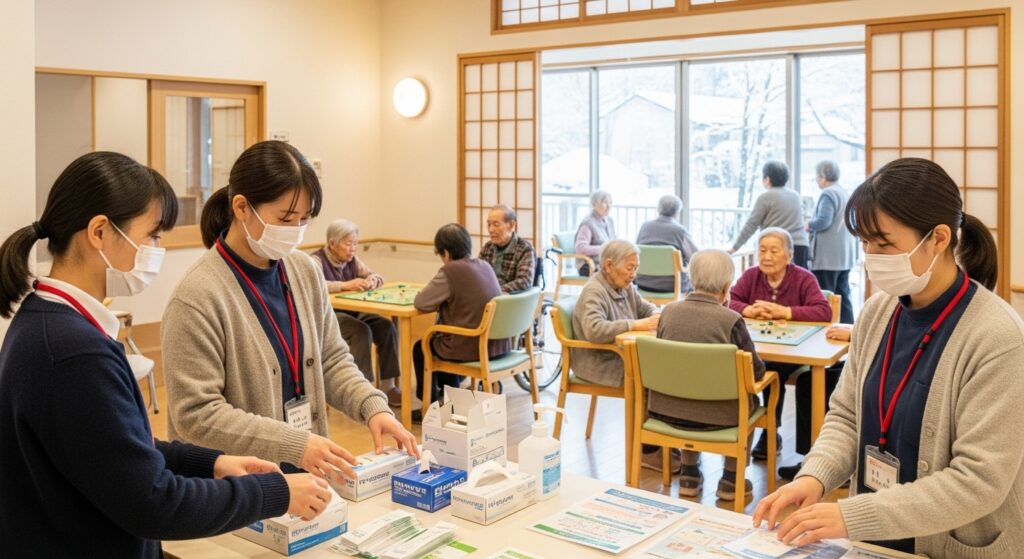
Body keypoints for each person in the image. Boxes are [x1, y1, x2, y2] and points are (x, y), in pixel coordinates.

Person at [0, 152, 331, 557]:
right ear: (100, 232)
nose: (158, 249)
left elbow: (117, 449)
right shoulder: (72, 352)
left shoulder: (49, 323)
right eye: (153, 235)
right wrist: (273, 492)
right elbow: (154, 503)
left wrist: (209, 463)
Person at [753, 158, 1022, 556]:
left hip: (953, 546)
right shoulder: (879, 313)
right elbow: (846, 417)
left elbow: (978, 481)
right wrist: (814, 477)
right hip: (876, 541)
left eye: (884, 244)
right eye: (864, 243)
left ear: (939, 238)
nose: (871, 256)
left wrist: (849, 515)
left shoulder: (997, 336)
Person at [162, 141, 418, 485]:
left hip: (305, 473)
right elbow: (196, 414)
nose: (295, 229)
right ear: (241, 207)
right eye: (285, 218)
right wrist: (293, 443)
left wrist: (373, 407)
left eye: (304, 220)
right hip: (235, 489)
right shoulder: (197, 296)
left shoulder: (304, 271)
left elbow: (331, 360)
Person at [647, 249, 766, 501]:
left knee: (688, 388)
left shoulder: (668, 312)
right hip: (721, 418)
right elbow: (755, 373)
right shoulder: (732, 320)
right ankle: (731, 479)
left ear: (691, 279)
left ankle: (689, 473)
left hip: (668, 412)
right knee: (749, 400)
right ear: (726, 287)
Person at [729, 227, 832, 459]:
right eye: (762, 250)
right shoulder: (751, 275)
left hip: (797, 353)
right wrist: (748, 309)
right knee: (756, 365)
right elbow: (730, 300)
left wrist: (784, 311)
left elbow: (824, 311)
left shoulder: (803, 278)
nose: (766, 256)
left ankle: (769, 432)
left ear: (789, 255)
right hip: (759, 350)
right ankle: (763, 432)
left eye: (774, 251)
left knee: (772, 368)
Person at [413, 223, 510, 413]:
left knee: (422, 347)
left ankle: (431, 406)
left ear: (446, 253)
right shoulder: (485, 266)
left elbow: (421, 302)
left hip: (470, 347)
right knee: (441, 342)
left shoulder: (451, 271)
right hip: (496, 345)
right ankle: (452, 400)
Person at [313, 219, 401, 406]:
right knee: (361, 330)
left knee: (386, 326)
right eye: (348, 243)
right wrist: (345, 285)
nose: (353, 248)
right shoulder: (316, 260)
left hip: (355, 310)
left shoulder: (352, 260)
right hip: (329, 315)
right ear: (332, 244)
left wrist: (373, 280)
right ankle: (363, 390)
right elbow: (317, 284)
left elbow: (374, 274)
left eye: (355, 243)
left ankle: (389, 386)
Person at [572, 240, 659, 388]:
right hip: (600, 363)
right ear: (609, 266)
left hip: (621, 355)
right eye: (629, 268)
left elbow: (644, 307)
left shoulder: (625, 286)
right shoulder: (594, 291)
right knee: (656, 374)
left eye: (636, 268)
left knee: (664, 367)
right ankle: (644, 411)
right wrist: (634, 325)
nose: (633, 275)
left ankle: (647, 411)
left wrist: (656, 314)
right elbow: (595, 330)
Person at [729, 161, 810, 269]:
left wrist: (734, 248)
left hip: (777, 248)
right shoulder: (796, 196)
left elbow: (751, 225)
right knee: (799, 282)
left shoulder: (765, 198)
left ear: (767, 179)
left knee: (778, 282)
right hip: (800, 246)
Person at [806, 160, 856, 324]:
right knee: (843, 296)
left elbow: (823, 221)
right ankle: (849, 331)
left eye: (817, 176)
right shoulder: (843, 192)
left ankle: (826, 332)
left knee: (826, 296)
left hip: (828, 257)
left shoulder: (828, 193)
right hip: (844, 256)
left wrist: (809, 224)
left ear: (823, 177)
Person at [636, 194, 699, 293]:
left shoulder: (645, 227)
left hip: (643, 283)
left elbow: (636, 253)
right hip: (672, 285)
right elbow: (695, 258)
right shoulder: (680, 231)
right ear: (677, 212)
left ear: (658, 209)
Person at [479, 205, 536, 293]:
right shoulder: (488, 247)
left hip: (510, 300)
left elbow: (525, 281)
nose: (491, 230)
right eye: (489, 224)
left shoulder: (525, 248)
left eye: (496, 224)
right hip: (487, 297)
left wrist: (495, 290)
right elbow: (478, 274)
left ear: (512, 225)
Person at [574, 190, 616, 276]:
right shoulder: (588, 223)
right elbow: (580, 248)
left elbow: (613, 240)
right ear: (594, 205)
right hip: (588, 265)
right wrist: (604, 248)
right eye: (605, 202)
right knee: (620, 273)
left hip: (605, 263)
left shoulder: (609, 220)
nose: (608, 206)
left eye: (610, 202)